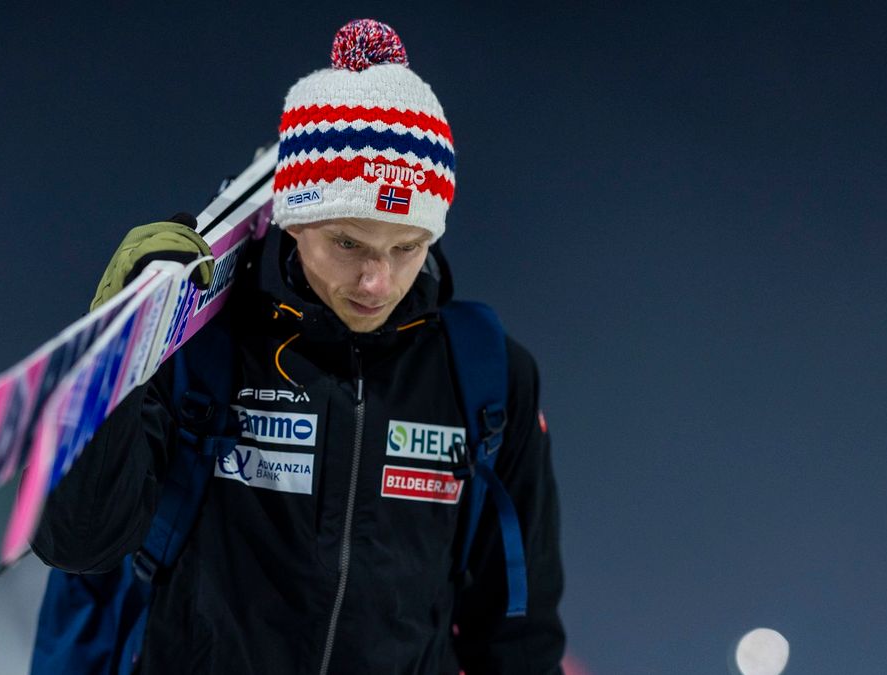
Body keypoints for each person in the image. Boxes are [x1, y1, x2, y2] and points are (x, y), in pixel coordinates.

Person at [32, 18, 565, 674]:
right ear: (293, 217)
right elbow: (77, 542)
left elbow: (519, 628)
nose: (377, 280)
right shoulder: (206, 347)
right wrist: (123, 350)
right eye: (348, 243)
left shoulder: (486, 378)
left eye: (407, 248)